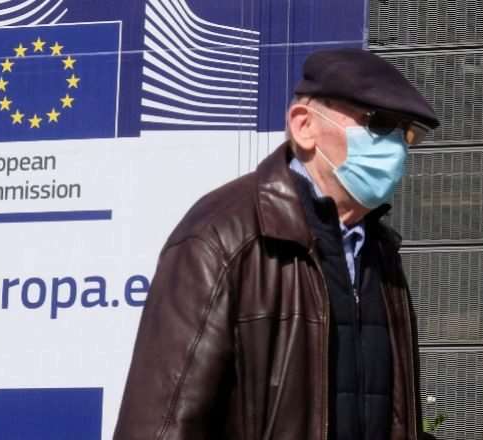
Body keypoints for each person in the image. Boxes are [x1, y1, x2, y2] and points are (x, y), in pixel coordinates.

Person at [113, 48, 439, 440]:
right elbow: (160, 425)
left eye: (407, 133)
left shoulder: (380, 252)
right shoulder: (225, 236)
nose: (397, 147)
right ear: (304, 126)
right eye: (380, 123)